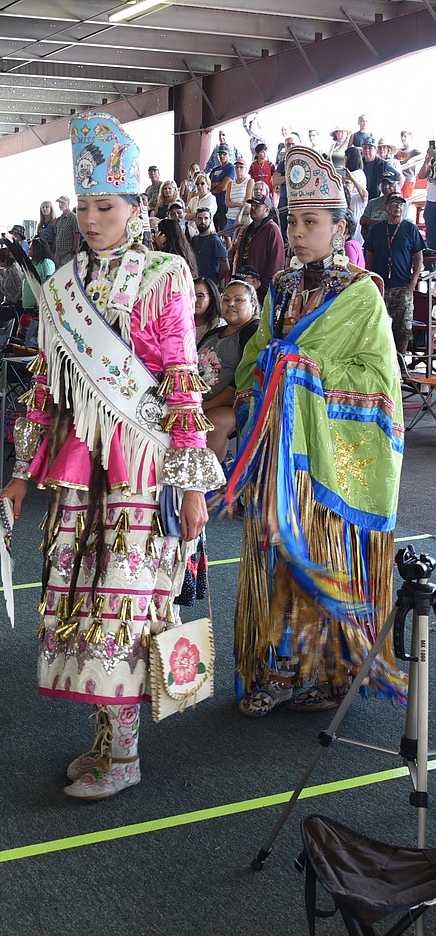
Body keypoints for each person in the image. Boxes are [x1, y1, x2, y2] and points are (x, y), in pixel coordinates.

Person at [0, 114, 220, 801]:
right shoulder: (63, 285)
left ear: (135, 207)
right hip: (77, 467)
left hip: (141, 465)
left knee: (125, 602)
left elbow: (182, 382)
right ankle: (104, 737)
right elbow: (44, 384)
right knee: (82, 599)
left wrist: (189, 486)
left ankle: (123, 753)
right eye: (85, 206)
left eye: (106, 206)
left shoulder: (166, 277)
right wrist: (16, 476)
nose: (92, 219)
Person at [221, 145, 405, 718]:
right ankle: (275, 668)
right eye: (293, 221)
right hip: (278, 452)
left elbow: (378, 380)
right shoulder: (281, 289)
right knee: (275, 556)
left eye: (311, 221)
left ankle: (328, 669)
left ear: (339, 227)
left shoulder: (361, 294)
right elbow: (254, 360)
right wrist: (265, 373)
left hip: (323, 459)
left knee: (317, 556)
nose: (298, 232)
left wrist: (303, 371)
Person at [197, 279, 259, 462]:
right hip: (199, 400)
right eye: (226, 299)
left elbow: (242, 381)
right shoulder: (214, 333)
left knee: (214, 422)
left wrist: (206, 406)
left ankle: (208, 481)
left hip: (234, 404)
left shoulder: (253, 332)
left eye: (239, 300)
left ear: (253, 304)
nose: (231, 304)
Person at [364, 193, 425, 353]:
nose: (397, 207)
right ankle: (380, 359)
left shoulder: (410, 228)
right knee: (378, 325)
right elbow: (369, 258)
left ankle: (402, 361)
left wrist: (413, 281)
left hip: (402, 286)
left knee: (403, 327)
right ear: (386, 207)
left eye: (400, 204)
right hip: (381, 286)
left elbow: (418, 257)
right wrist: (370, 281)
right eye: (394, 203)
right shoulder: (376, 230)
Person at [231, 194, 283, 289]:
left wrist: (265, 286)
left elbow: (276, 262)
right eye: (252, 205)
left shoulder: (272, 230)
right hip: (245, 282)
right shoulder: (247, 229)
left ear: (267, 209)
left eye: (257, 205)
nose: (253, 208)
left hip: (261, 286)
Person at [190, 208, 228, 284]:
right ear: (195, 220)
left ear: (210, 221)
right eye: (199, 218)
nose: (202, 221)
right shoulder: (194, 239)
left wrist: (214, 281)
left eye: (206, 218)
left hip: (209, 283)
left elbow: (225, 267)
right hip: (194, 282)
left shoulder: (215, 241)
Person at [20, 236, 56, 311]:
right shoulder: (31, 264)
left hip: (38, 306)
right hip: (26, 305)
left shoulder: (46, 263)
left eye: (31, 248)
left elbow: (49, 283)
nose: (29, 249)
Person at [342, 147, 369, 246]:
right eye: (343, 182)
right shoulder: (344, 196)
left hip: (357, 235)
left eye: (347, 182)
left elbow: (365, 194)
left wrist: (352, 178)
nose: (344, 185)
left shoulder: (357, 197)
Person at [192, 275, 222, 343]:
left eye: (200, 296)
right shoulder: (180, 322)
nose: (194, 300)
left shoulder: (218, 325)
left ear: (211, 298)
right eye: (191, 295)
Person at [54, 195, 80, 268]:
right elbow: (57, 235)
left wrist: (74, 251)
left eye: (62, 202)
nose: (60, 204)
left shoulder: (73, 217)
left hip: (68, 253)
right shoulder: (59, 219)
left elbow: (77, 235)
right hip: (58, 253)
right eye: (59, 203)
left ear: (68, 203)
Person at [421, 142, 436, 254]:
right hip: (430, 201)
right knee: (430, 237)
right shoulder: (433, 159)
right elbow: (421, 175)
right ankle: (431, 267)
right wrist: (426, 162)